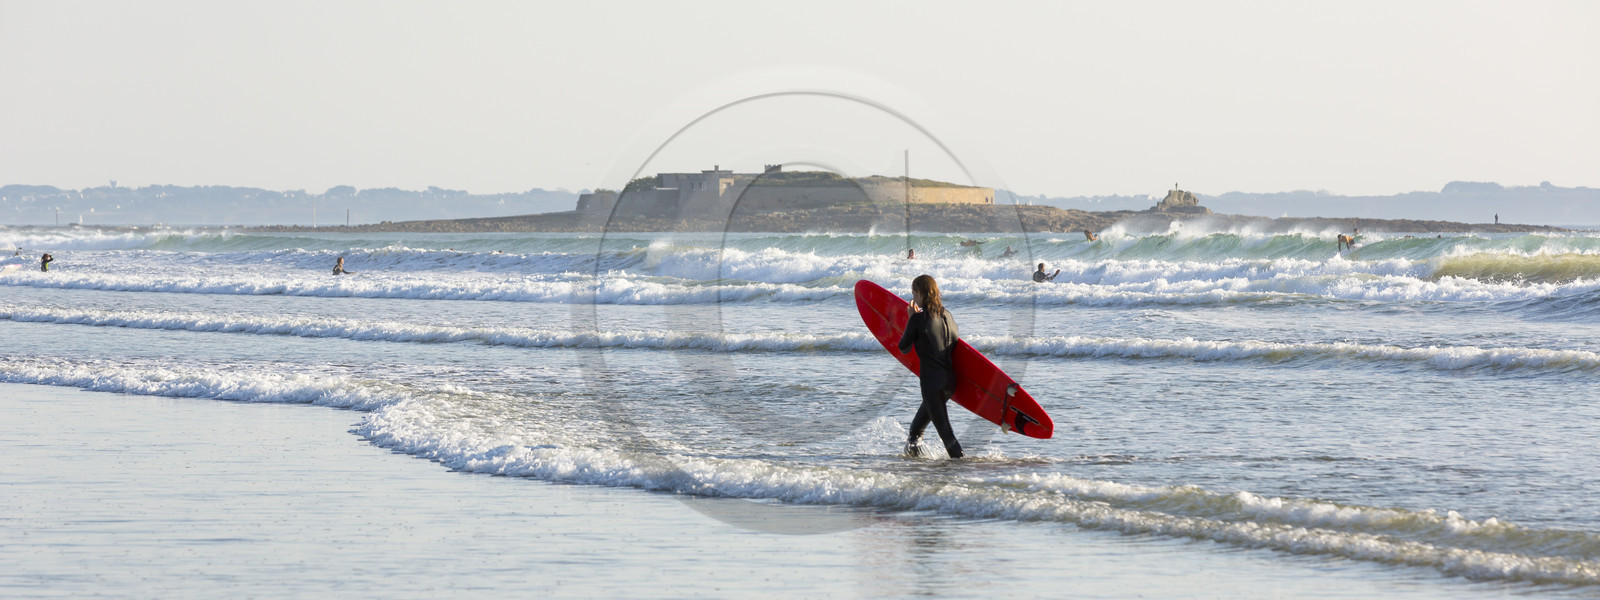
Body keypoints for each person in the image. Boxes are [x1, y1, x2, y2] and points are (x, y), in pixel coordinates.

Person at [898, 274, 962, 459]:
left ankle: (962, 468)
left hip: (932, 386)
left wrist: (911, 319)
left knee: (946, 434)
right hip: (950, 382)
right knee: (915, 431)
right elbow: (955, 341)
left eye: (913, 293)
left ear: (920, 293)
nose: (913, 297)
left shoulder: (918, 319)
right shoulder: (947, 315)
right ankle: (917, 466)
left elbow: (903, 347)